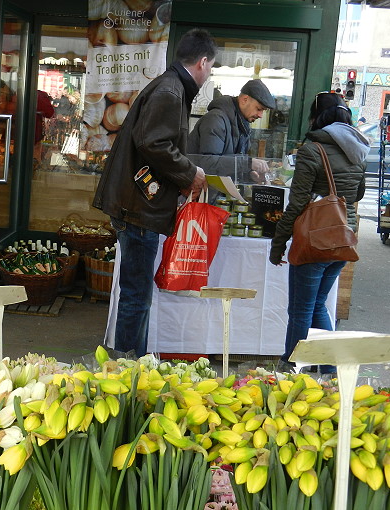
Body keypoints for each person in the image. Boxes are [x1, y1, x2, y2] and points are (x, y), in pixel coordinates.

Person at [93, 28, 217, 356]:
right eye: (212, 67)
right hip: (138, 209)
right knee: (136, 296)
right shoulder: (171, 90)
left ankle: (129, 363)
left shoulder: (171, 86)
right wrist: (190, 174)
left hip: (137, 205)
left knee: (136, 293)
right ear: (203, 62)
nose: (209, 74)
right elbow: (153, 143)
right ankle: (127, 368)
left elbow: (154, 143)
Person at [269, 92, 368, 373]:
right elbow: (358, 193)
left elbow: (297, 203)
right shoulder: (359, 150)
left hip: (316, 241)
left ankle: (291, 367)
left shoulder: (313, 150)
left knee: (301, 310)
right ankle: (331, 371)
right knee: (316, 306)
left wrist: (279, 244)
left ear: (318, 117)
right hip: (343, 241)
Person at [188, 79, 276, 185]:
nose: (260, 115)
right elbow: (209, 163)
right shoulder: (216, 119)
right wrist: (248, 163)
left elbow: (230, 165)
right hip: (199, 193)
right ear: (244, 100)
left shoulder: (243, 124)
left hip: (216, 191)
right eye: (258, 109)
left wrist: (250, 175)